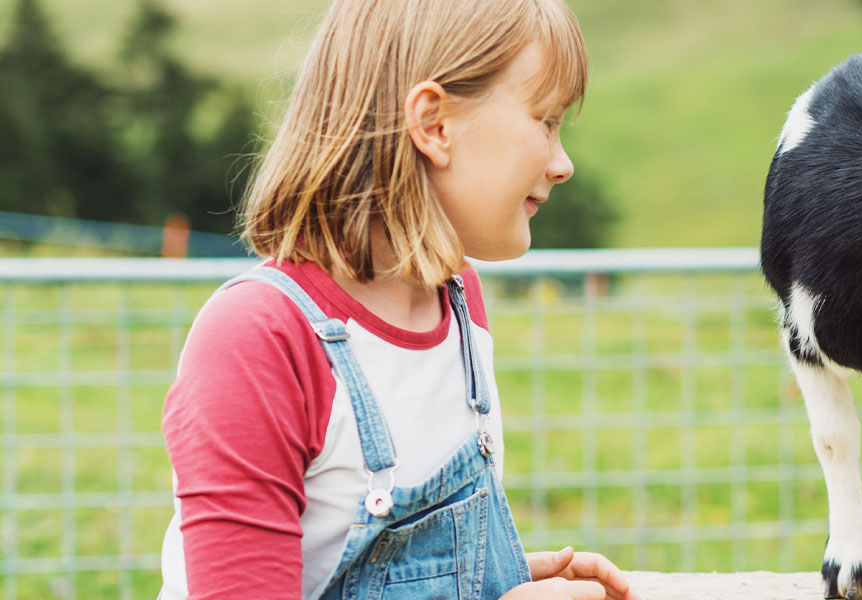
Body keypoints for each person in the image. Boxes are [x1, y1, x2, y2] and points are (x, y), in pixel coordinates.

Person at [157, 1, 634, 598]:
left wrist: (491, 580)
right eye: (546, 121)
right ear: (434, 125)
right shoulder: (258, 337)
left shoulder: (459, 304)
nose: (562, 164)